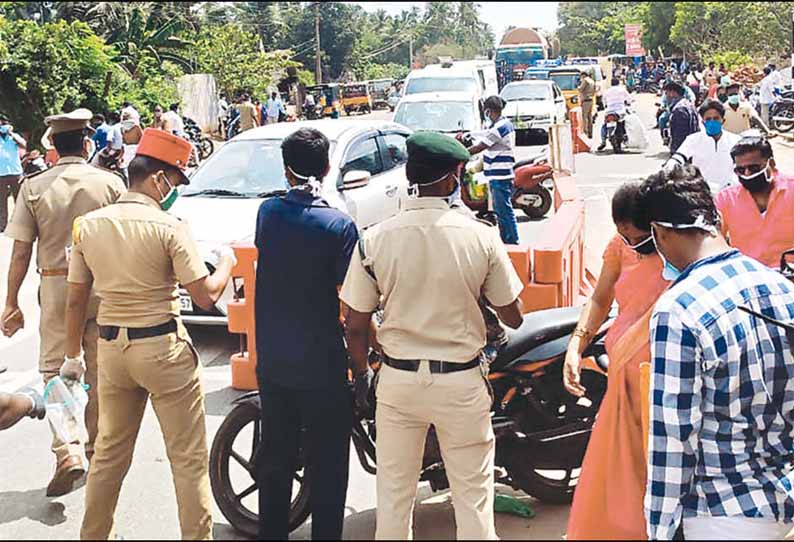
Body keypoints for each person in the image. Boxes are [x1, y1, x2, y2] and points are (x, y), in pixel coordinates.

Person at [341, 131, 525, 540]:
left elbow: (355, 323)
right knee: (473, 499)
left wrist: (363, 377)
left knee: (393, 499)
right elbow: (513, 316)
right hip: (460, 383)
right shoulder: (479, 235)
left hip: (398, 382)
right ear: (452, 179)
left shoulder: (374, 238)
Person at [63, 128, 235, 540]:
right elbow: (206, 296)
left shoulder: (88, 226)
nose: (173, 189)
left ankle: (94, 536)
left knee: (108, 455)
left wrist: (73, 355)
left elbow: (74, 301)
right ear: (158, 178)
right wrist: (226, 263)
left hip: (112, 352)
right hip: (163, 350)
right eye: (174, 181)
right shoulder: (169, 227)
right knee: (187, 459)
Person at [639, 164, 794, 541]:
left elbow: (673, 437)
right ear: (718, 220)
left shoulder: (678, 310)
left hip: (723, 513)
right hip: (785, 498)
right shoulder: (781, 288)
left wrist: (659, 529)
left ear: (659, 235)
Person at [2, 108, 126, 497]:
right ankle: (94, 449)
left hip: (57, 289)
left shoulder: (34, 187)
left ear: (52, 146)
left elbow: (21, 252)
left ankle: (68, 450)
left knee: (58, 373)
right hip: (104, 286)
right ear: (88, 142)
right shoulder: (110, 184)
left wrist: (11, 303)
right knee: (99, 374)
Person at [254, 128, 358, 540]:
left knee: (275, 457)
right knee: (329, 464)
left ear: (286, 169)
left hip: (275, 362)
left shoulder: (268, 213)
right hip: (323, 364)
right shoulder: (338, 225)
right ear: (329, 166)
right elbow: (351, 300)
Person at [564, 183, 669, 540]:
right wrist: (576, 344)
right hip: (623, 373)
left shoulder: (679, 249)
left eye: (638, 238)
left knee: (662, 467)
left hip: (667, 378)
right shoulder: (620, 246)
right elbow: (599, 300)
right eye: (624, 235)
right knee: (622, 470)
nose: (632, 244)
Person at [714, 135, 794, 269]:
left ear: (771, 164)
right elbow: (714, 242)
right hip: (747, 278)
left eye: (754, 168)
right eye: (740, 170)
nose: (747, 174)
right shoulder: (725, 199)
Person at [466, 95, 520, 244]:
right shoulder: (503, 124)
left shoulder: (500, 128)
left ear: (489, 111)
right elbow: (484, 135)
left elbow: (480, 147)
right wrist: (470, 134)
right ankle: (507, 240)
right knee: (502, 211)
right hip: (498, 175)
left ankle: (511, 242)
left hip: (500, 176)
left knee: (504, 212)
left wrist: (462, 152)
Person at [667, 99, 741, 193]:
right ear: (703, 122)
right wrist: (668, 168)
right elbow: (679, 157)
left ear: (723, 120)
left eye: (716, 118)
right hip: (701, 192)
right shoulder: (693, 139)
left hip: (729, 192)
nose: (712, 121)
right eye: (708, 119)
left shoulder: (735, 140)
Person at [0, 113, 26, 232]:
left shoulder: (14, 137)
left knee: (19, 199)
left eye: (3, 123)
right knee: (1, 201)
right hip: (1, 174)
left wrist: (11, 133)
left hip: (16, 172)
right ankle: (2, 225)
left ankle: (21, 224)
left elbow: (23, 145)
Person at [597, 77, 633, 152]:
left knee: (604, 125)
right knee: (625, 124)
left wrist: (606, 105)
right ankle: (625, 135)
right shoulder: (622, 90)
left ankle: (603, 141)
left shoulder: (607, 91)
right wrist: (628, 102)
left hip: (609, 111)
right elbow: (629, 99)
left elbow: (604, 102)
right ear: (618, 83)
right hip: (620, 111)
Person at [664, 79, 700, 153]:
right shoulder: (688, 104)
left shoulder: (679, 110)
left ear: (673, 92)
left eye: (666, 92)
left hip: (684, 151)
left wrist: (677, 152)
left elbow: (679, 134)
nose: (666, 95)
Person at [577, 69, 596, 138]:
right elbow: (594, 91)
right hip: (590, 100)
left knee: (584, 117)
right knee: (590, 117)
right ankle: (591, 132)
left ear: (583, 75)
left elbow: (581, 89)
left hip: (585, 100)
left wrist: (578, 86)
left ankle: (586, 133)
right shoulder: (592, 81)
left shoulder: (585, 80)